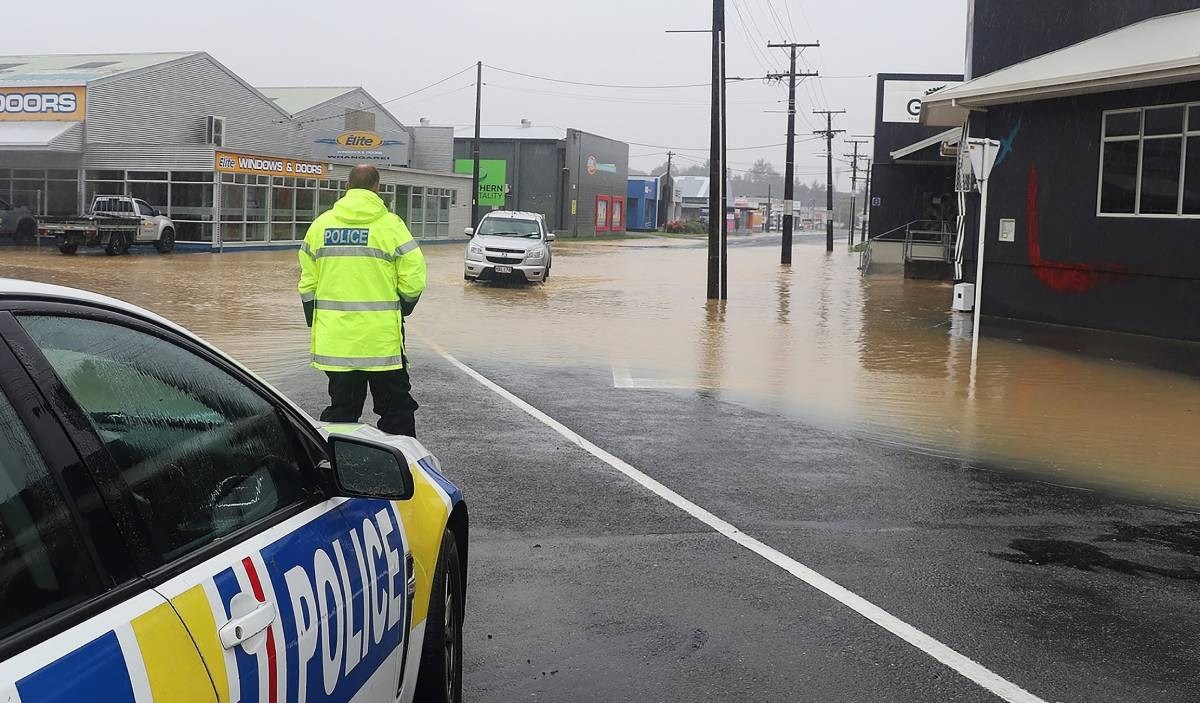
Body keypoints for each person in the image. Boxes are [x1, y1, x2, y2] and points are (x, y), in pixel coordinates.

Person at [298, 164, 426, 436]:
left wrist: (315, 317)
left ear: (346, 187)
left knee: (341, 412)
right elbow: (414, 278)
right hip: (382, 343)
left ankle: (337, 467)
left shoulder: (320, 226)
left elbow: (307, 284)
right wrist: (403, 306)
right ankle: (404, 469)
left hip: (338, 342)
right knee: (396, 413)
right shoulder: (392, 226)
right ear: (376, 189)